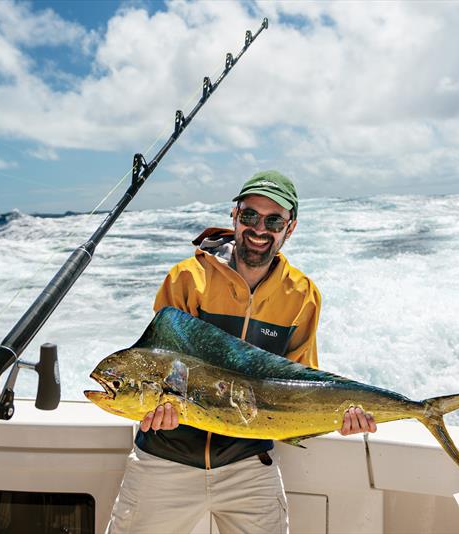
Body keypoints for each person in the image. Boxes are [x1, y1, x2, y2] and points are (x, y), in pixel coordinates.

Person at [106, 170, 377, 534]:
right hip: (166, 459)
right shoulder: (187, 279)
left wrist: (340, 415)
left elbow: (301, 386)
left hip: (249, 464)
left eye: (274, 220)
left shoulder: (302, 295)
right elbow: (159, 363)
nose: (259, 228)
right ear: (234, 216)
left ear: (289, 228)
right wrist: (156, 412)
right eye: (249, 215)